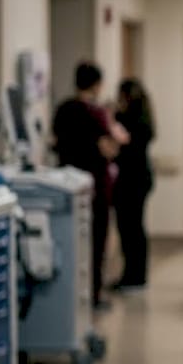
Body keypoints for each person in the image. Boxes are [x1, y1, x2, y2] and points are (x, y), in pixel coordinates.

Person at [52, 61, 126, 310]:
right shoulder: (96, 114)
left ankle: (69, 295)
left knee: (69, 240)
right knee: (95, 241)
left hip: (66, 184)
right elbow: (109, 149)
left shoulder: (63, 109)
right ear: (97, 84)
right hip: (94, 187)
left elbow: (55, 142)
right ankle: (92, 295)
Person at [111, 78, 155, 291]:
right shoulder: (144, 120)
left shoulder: (132, 121)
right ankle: (134, 274)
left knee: (131, 229)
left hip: (132, 181)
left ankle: (134, 275)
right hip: (137, 180)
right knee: (132, 229)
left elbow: (123, 144)